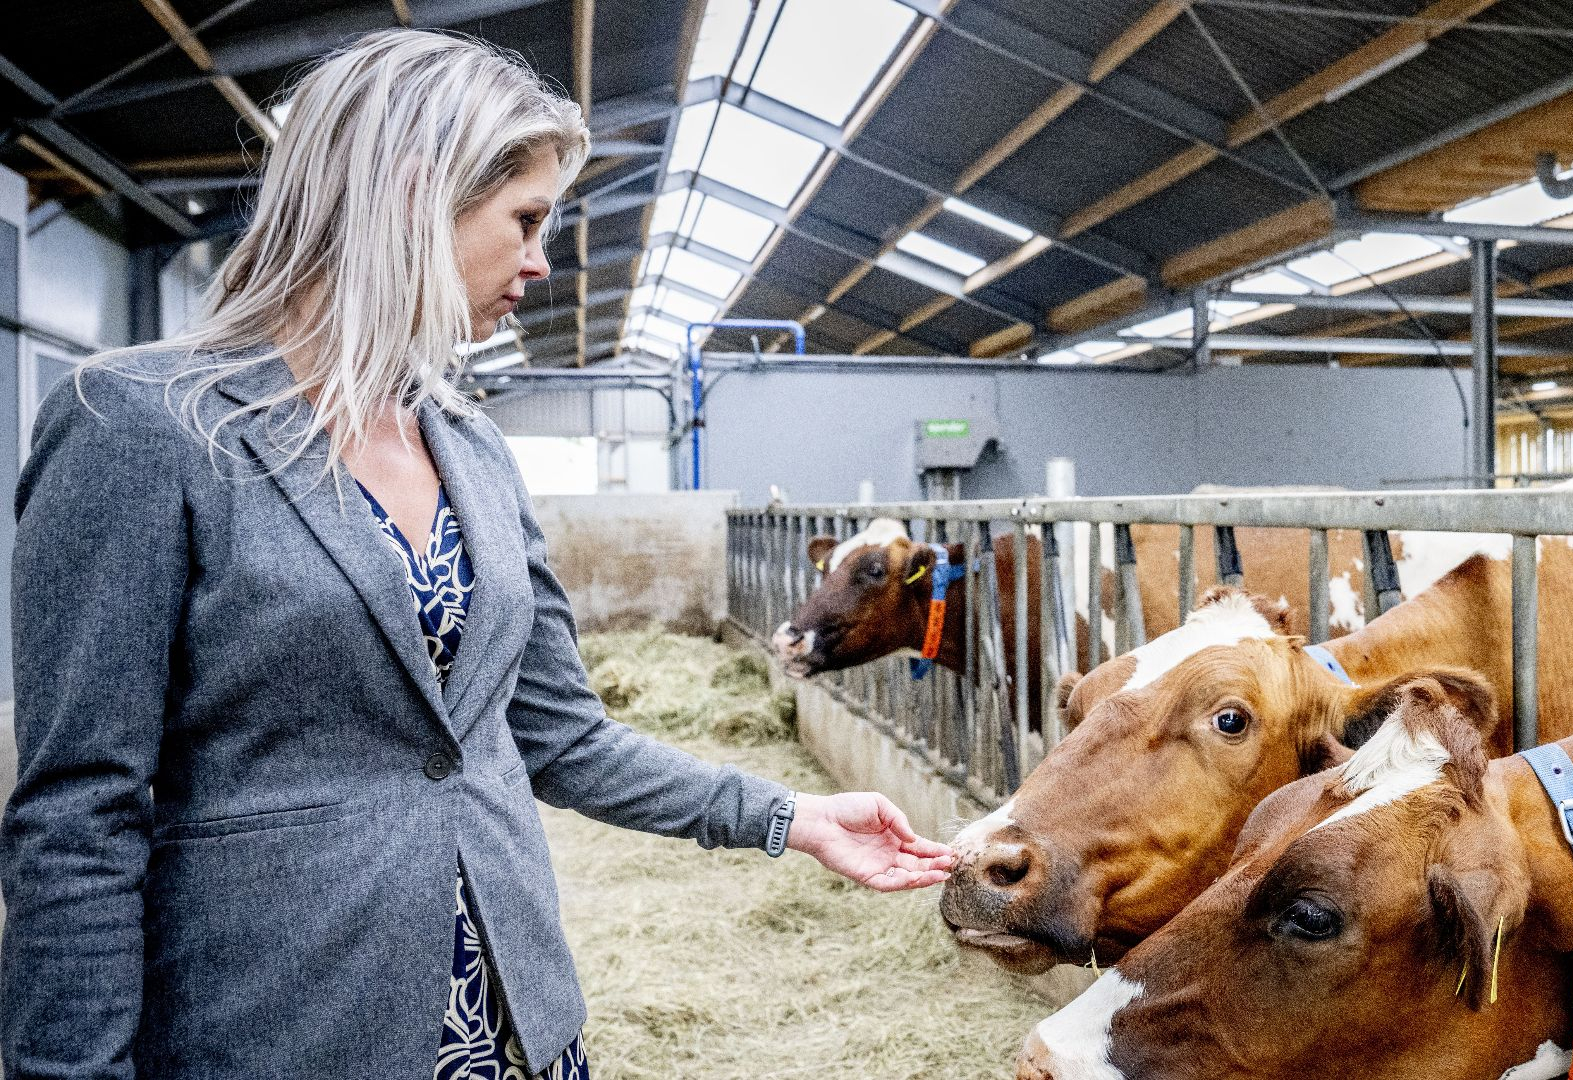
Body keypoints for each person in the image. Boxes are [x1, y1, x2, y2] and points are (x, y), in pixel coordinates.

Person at [0, 28, 953, 1079]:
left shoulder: (470, 443)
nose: (543, 262)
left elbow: (560, 736)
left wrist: (789, 815)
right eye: (526, 220)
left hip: (513, 1020)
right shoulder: (145, 424)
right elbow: (80, 817)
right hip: (284, 1030)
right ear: (413, 191)